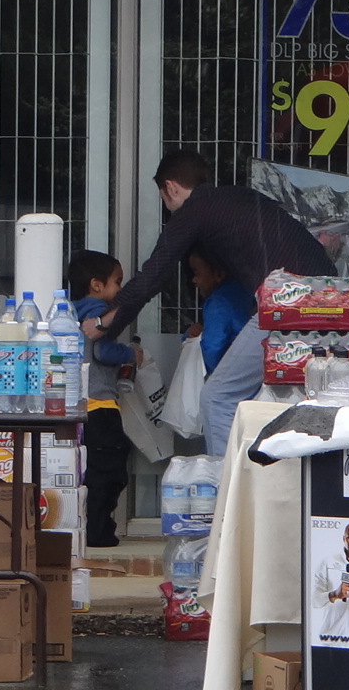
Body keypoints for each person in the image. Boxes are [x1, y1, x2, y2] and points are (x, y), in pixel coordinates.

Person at [84, 150, 334, 457]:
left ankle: (227, 485)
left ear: (170, 187)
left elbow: (153, 276)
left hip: (289, 305)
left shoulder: (193, 210)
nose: (168, 209)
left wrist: (103, 324)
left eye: (164, 200)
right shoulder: (241, 199)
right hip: (339, 303)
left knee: (218, 397)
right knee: (305, 399)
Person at [68, 250, 144, 548]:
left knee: (86, 470)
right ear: (97, 285)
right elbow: (103, 351)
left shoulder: (69, 311)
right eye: (118, 281)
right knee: (109, 470)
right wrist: (130, 353)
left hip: (77, 406)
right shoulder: (98, 311)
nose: (120, 289)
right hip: (100, 405)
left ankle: (82, 527)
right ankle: (99, 533)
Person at [185, 251, 255, 375]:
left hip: (233, 374)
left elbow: (212, 348)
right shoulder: (244, 292)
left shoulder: (218, 302)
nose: (194, 280)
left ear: (218, 274)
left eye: (196, 273)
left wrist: (189, 339)